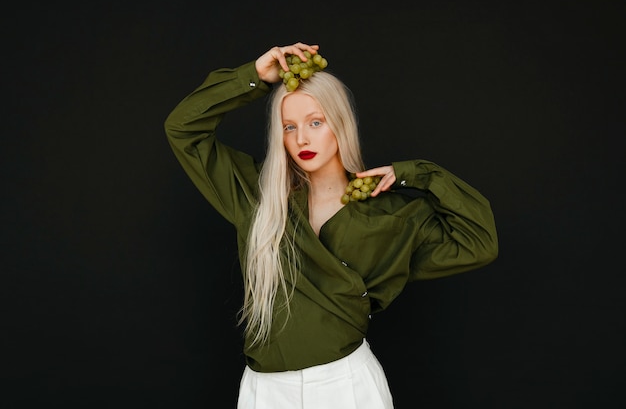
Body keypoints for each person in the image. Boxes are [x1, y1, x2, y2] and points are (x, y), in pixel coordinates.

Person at [164, 42, 498, 408]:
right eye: (289, 127)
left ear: (339, 124)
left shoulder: (390, 216)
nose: (301, 138)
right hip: (266, 391)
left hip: (347, 386)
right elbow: (183, 129)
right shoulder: (256, 196)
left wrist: (416, 174)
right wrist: (254, 77)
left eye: (315, 122)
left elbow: (478, 242)